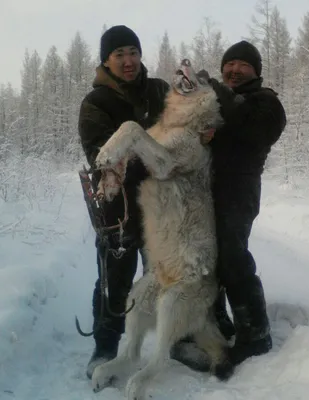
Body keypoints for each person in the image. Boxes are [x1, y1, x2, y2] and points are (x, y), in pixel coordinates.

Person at [172, 41, 287, 374]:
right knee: (211, 259)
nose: (234, 70)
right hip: (206, 191)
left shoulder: (266, 102)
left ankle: (256, 334)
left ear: (256, 71)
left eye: (242, 65)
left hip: (239, 190)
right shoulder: (221, 103)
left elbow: (253, 131)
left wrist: (217, 90)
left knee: (233, 257)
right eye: (229, 64)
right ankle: (219, 323)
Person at [78, 25, 169, 379]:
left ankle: (175, 339)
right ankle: (105, 346)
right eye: (120, 55)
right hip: (119, 207)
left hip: (162, 203)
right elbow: (101, 156)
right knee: (114, 277)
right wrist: (153, 149)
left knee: (164, 275)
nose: (129, 61)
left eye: (133, 51)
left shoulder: (160, 89)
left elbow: (181, 127)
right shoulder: (96, 103)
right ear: (106, 60)